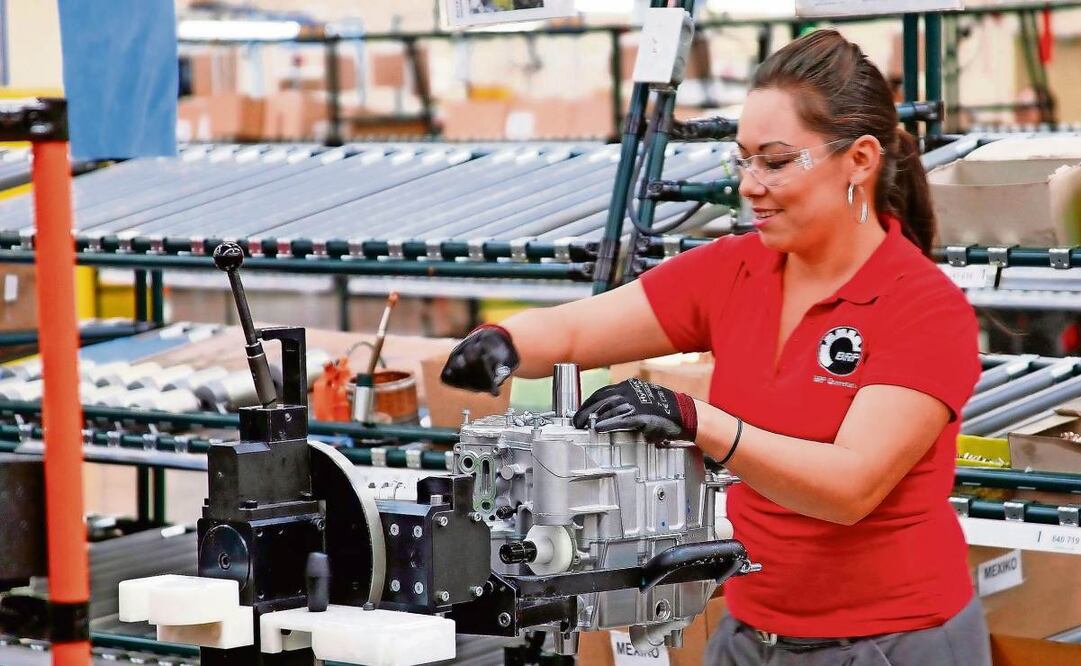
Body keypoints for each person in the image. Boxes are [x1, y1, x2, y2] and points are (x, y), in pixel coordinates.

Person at [441, 29, 989, 666]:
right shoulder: (735, 272)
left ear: (860, 161)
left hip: (896, 645)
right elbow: (577, 329)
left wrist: (699, 423)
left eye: (776, 161)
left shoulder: (922, 308)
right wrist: (504, 343)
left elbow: (850, 486)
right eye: (743, 159)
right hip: (752, 636)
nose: (749, 185)